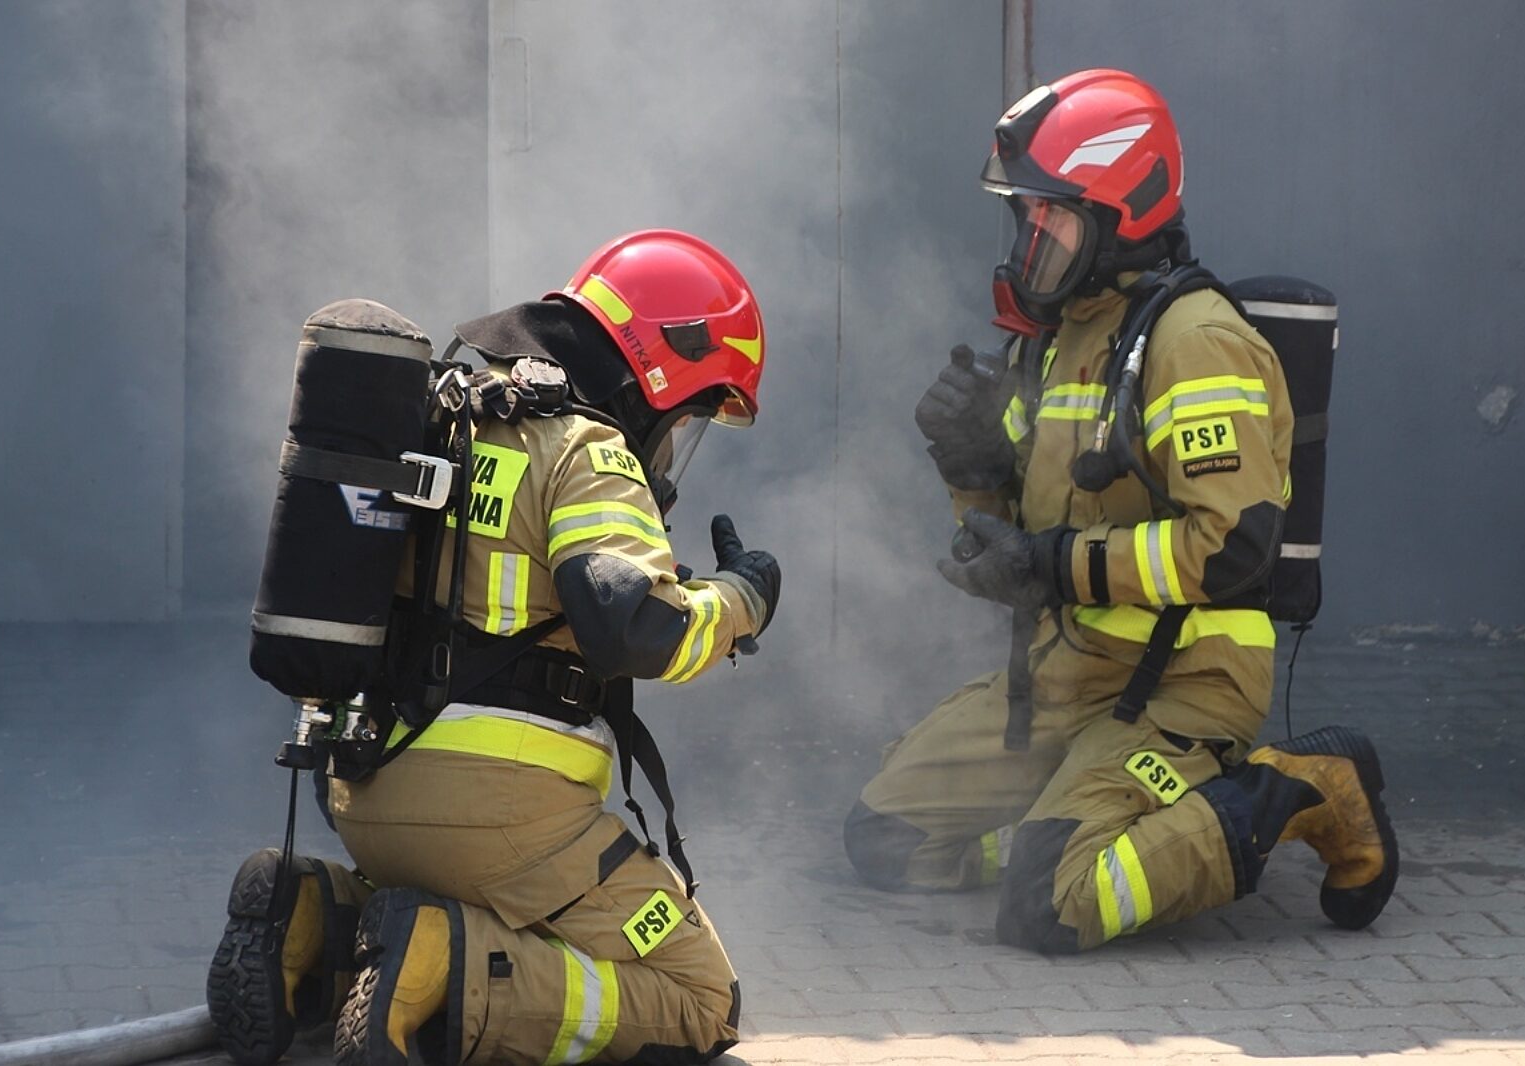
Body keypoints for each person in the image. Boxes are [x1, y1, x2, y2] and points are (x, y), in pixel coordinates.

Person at [844, 69, 1397, 954]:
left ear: (1122, 211)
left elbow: (1232, 548)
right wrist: (969, 466)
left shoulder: (1195, 342)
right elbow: (1012, 534)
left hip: (1183, 680)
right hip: (1068, 675)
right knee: (884, 839)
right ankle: (1074, 821)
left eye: (1051, 217)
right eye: (1026, 217)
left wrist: (1051, 565)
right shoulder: (1058, 340)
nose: (1030, 241)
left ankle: (1299, 788)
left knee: (1049, 905)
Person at [208, 230, 781, 1065]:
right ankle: (449, 965)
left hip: (367, 798)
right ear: (659, 370)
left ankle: (314, 917)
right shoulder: (586, 446)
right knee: (700, 1000)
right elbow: (635, 630)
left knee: (459, 909)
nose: (671, 449)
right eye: (686, 419)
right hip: (509, 820)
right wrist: (742, 599)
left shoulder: (445, 416)